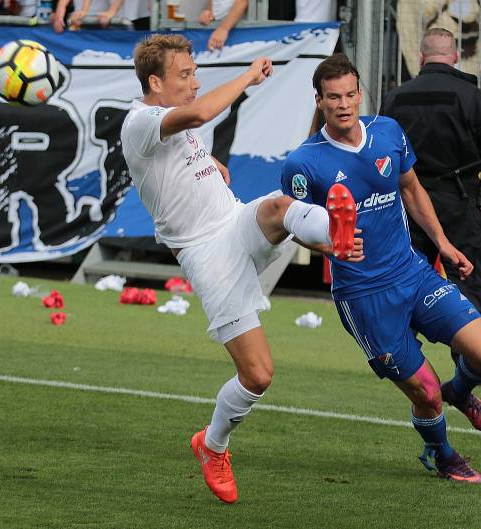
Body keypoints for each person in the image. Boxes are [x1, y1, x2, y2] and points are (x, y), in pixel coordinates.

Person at [121, 34, 361, 503]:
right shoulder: (139, 121)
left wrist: (207, 163)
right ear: (155, 82)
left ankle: (335, 235)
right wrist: (250, 75)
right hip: (208, 255)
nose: (194, 82)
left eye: (194, 73)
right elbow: (198, 114)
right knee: (258, 375)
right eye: (184, 75)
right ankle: (212, 446)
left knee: (277, 207)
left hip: (232, 220)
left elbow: (179, 148)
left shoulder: (164, 124)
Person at [282, 52, 481, 483]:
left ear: (360, 93)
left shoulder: (388, 132)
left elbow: (412, 188)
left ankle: (460, 392)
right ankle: (441, 454)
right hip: (364, 297)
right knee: (426, 394)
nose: (344, 104)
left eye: (350, 94)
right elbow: (291, 227)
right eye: (333, 97)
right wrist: (330, 247)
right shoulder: (304, 164)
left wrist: (442, 244)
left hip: (413, 273)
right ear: (319, 101)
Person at [382, 27, 481, 389]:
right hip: (459, 200)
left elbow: (380, 151)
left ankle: (400, 356)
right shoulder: (472, 96)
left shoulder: (395, 97)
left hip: (407, 201)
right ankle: (471, 362)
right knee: (466, 276)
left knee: (403, 277)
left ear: (421, 58)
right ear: (455, 57)